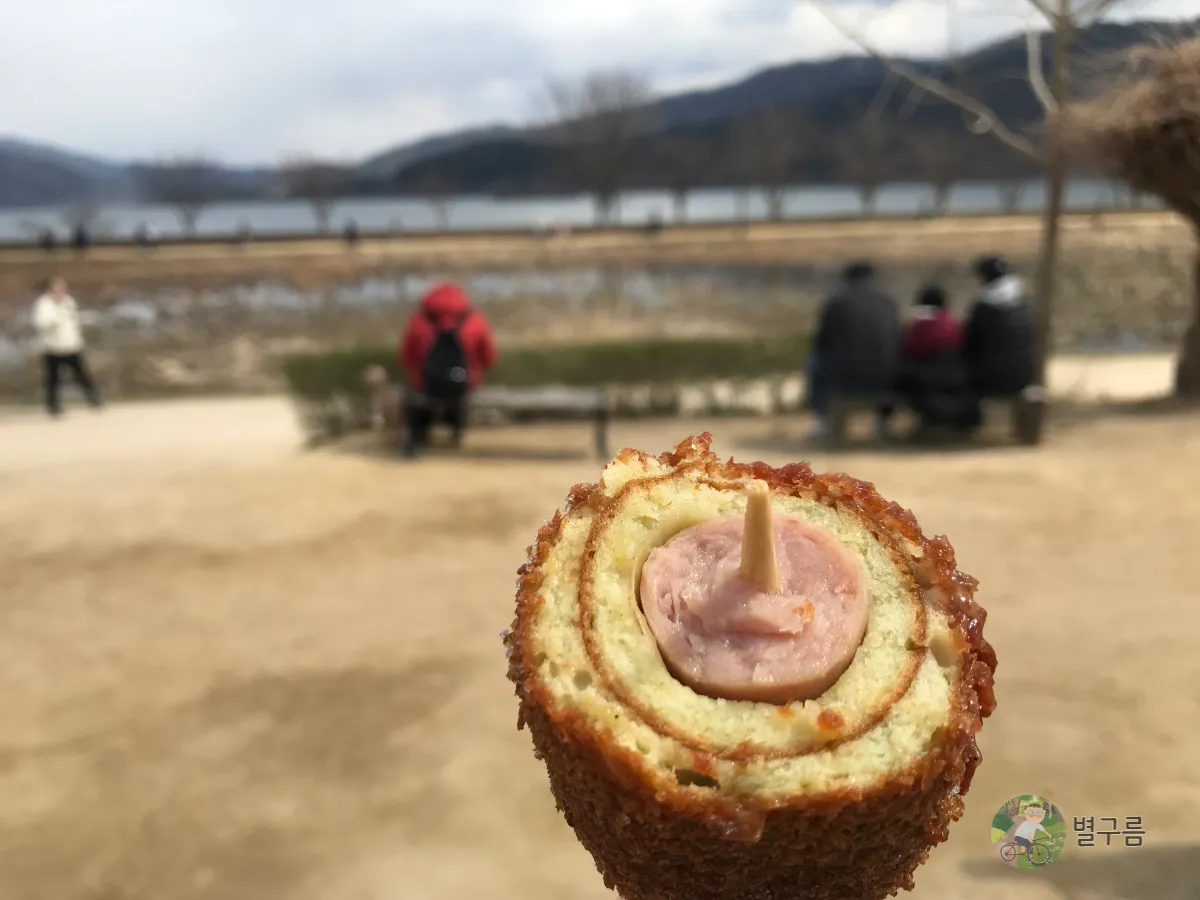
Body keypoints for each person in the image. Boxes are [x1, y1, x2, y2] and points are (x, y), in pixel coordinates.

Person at [398, 282, 497, 456]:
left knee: (414, 394)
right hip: (464, 384)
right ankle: (457, 429)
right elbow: (488, 357)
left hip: (426, 385)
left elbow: (406, 358)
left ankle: (419, 434)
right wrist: (475, 373)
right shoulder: (475, 321)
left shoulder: (418, 322)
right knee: (459, 395)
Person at [806, 261, 901, 442]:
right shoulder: (887, 302)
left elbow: (821, 341)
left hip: (844, 380)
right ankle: (883, 422)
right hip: (884, 380)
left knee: (813, 361)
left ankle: (820, 420)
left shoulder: (836, 302)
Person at [895, 285, 977, 434]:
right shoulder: (952, 323)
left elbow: (909, 350)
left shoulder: (918, 325)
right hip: (955, 377)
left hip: (926, 379)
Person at [963, 255, 1038, 399]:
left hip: (992, 379)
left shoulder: (983, 307)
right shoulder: (1022, 303)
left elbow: (970, 343)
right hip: (1024, 376)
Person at [32, 277, 102, 417]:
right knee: (53, 378)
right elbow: (40, 322)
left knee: (82, 374)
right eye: (58, 288)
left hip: (71, 345)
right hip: (52, 347)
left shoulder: (68, 301)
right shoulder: (44, 303)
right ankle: (53, 407)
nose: (61, 291)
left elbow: (74, 319)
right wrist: (55, 320)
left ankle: (94, 400)